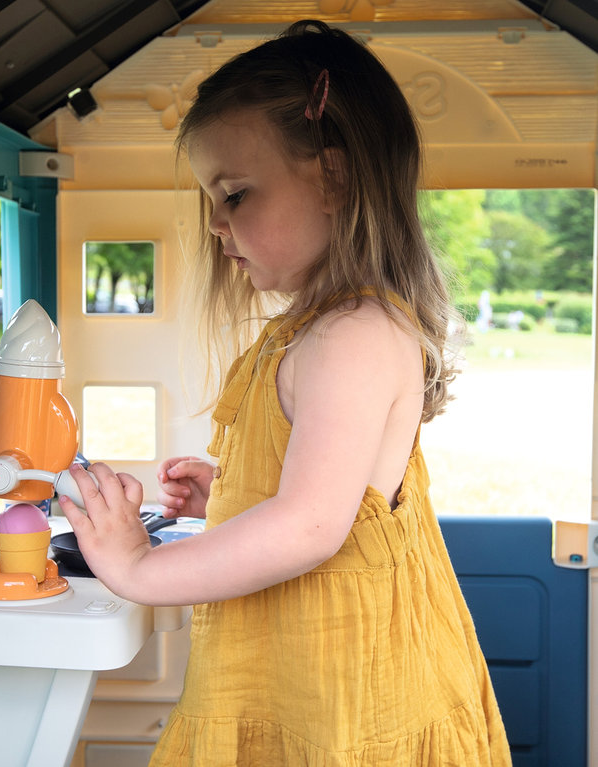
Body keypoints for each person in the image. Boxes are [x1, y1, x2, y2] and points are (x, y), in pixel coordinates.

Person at [59, 19, 511, 766]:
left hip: (347, 710)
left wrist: (138, 565)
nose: (215, 224)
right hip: (301, 691)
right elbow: (324, 492)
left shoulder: (355, 334)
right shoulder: (314, 330)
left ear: (333, 179)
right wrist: (236, 493)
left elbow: (307, 526)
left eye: (234, 194)